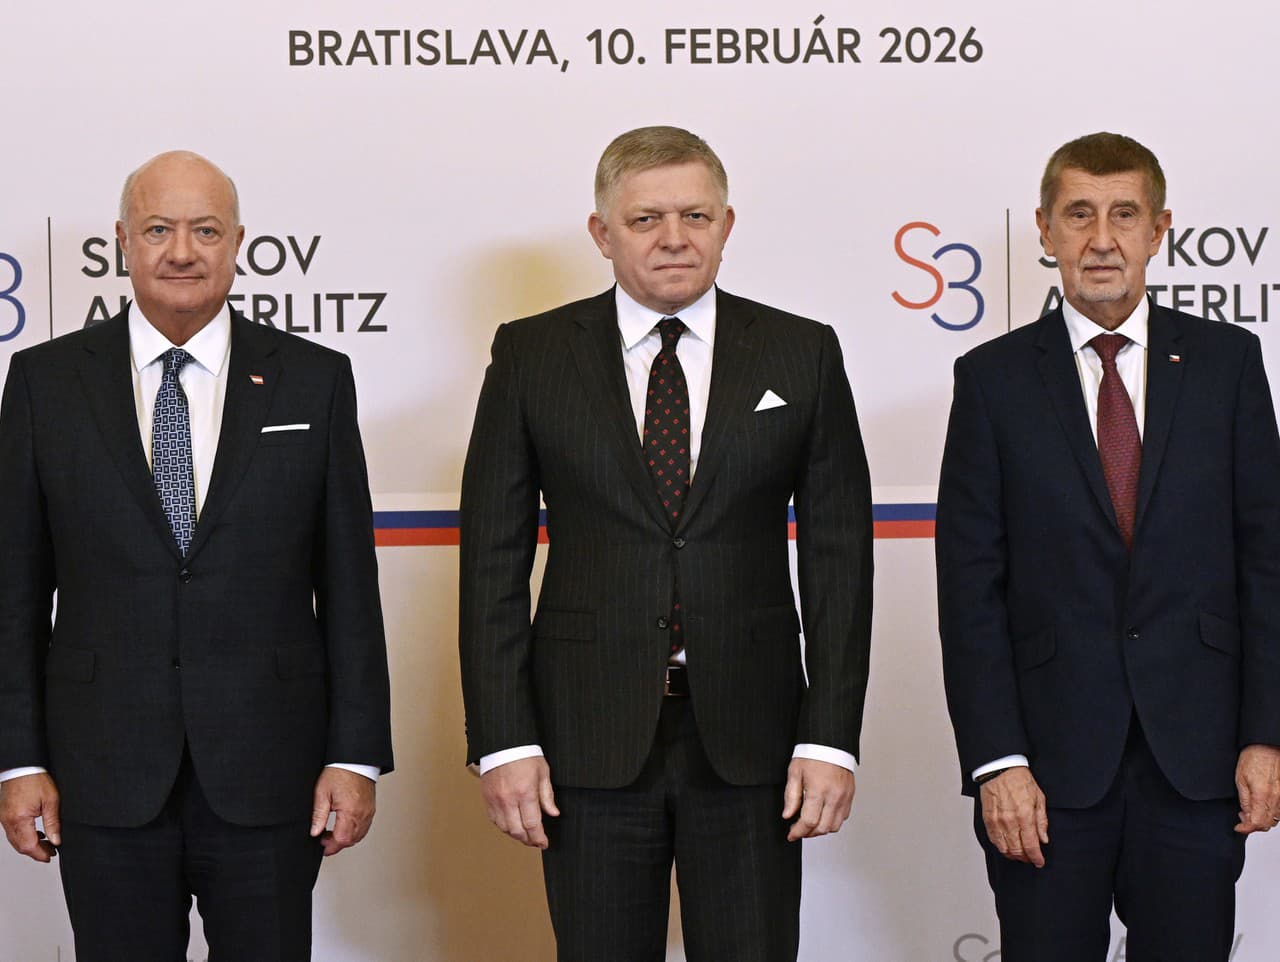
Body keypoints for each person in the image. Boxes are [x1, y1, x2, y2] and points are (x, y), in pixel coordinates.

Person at [458, 125, 873, 961]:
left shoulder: (802, 352)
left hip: (753, 744)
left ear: (726, 224)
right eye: (646, 219)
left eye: (695, 215)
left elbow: (840, 562)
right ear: (602, 232)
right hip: (585, 742)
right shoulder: (532, 354)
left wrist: (829, 737)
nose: (674, 238)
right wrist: (505, 738)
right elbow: (491, 564)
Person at [0, 150, 393, 961]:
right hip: (102, 774)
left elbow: (351, 587)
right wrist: (17, 760)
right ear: (122, 242)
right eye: (158, 230)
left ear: (238, 243)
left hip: (269, 771)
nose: (182, 251)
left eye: (205, 231)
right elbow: (14, 592)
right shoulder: (44, 382)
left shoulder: (314, 380)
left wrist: (354, 754)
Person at [936, 131, 1280, 962]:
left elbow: (1266, 560)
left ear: (1159, 230)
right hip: (1044, 774)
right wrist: (997, 761)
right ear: (1044, 230)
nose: (1101, 238)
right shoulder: (991, 379)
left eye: (1124, 215)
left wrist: (1266, 733)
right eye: (1078, 214)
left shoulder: (1229, 363)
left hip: (1196, 762)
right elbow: (970, 590)